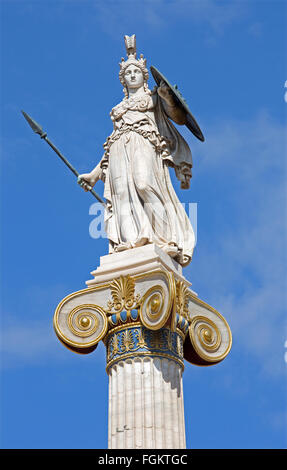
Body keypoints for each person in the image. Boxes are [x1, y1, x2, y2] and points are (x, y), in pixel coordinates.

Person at [78, 35, 195, 267]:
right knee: (121, 193)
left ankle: (164, 239)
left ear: (143, 76)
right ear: (123, 80)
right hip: (119, 149)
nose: (132, 75)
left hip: (144, 143)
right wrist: (93, 175)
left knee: (144, 184)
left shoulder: (153, 97)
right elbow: (110, 145)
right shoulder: (118, 109)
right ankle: (130, 241)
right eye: (128, 73)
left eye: (136, 72)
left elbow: (179, 118)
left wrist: (168, 99)